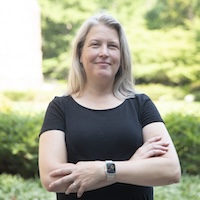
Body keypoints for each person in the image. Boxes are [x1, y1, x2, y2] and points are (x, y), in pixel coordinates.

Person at [38, 13, 181, 200]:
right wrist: (132, 165)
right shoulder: (60, 108)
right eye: (95, 44)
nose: (104, 52)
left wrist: (106, 170)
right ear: (80, 54)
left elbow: (171, 170)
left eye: (112, 46)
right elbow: (52, 178)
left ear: (121, 57)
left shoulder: (141, 105)